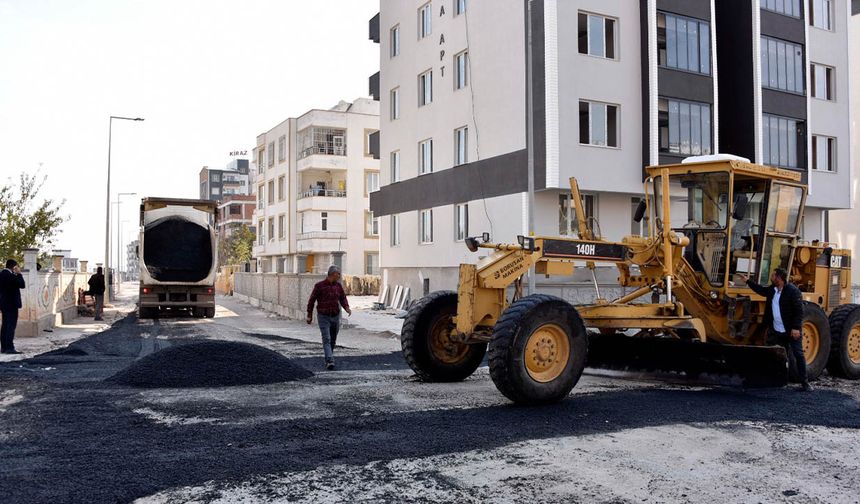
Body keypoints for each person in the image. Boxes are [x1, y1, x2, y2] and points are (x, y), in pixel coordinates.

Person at [741, 268, 810, 391]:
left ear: (779, 278)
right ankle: (781, 381)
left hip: (791, 330)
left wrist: (795, 328)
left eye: (773, 275)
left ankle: (805, 382)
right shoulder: (772, 290)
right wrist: (748, 281)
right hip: (778, 330)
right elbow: (760, 290)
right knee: (780, 355)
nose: (771, 277)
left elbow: (799, 311)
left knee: (798, 354)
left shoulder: (793, 291)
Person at [306, 265, 351, 370]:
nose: (339, 275)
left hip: (335, 316)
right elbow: (311, 301)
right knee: (326, 338)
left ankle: (328, 356)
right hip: (323, 317)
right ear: (332, 274)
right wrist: (309, 315)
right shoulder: (319, 286)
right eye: (338, 273)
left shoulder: (338, 286)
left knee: (333, 340)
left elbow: (342, 298)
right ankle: (330, 360)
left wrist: (347, 308)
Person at [0, 259, 26, 354]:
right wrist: (19, 274)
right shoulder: (10, 276)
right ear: (14, 267)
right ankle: (10, 348)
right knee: (11, 326)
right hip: (11, 304)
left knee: (5, 326)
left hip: (3, 304)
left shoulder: (1, 274)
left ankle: (4, 347)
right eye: (17, 267)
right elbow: (22, 285)